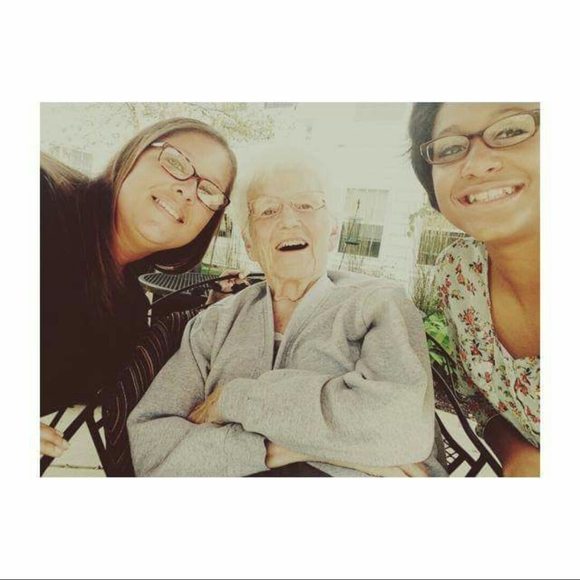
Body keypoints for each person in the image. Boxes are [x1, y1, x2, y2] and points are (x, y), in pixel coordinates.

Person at [128, 149, 446, 477]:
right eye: (268, 210)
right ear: (249, 243)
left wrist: (231, 400)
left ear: (332, 231)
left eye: (306, 205)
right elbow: (153, 449)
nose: (289, 220)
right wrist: (279, 450)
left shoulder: (377, 303)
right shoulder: (214, 323)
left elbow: (400, 427)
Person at [41, 117, 237, 459]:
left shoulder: (127, 314)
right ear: (133, 154)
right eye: (176, 162)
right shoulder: (43, 199)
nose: (188, 191)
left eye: (208, 191)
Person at [409, 103, 540, 476]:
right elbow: (477, 398)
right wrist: (516, 453)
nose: (478, 164)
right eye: (450, 148)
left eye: (511, 131)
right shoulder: (458, 273)